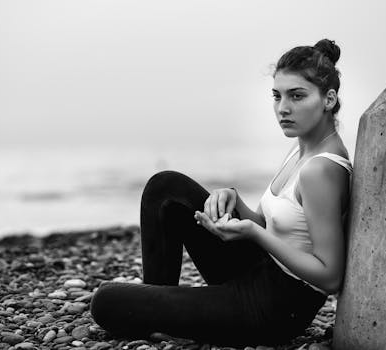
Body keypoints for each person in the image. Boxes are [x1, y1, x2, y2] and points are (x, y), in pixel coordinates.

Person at [90, 39, 352, 347]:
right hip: (259, 269)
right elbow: (283, 227)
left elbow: (329, 276)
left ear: (329, 99)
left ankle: (155, 308)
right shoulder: (300, 151)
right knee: (165, 187)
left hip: (276, 307)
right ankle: (156, 299)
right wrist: (233, 199)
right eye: (277, 96)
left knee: (106, 302)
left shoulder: (320, 170)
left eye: (297, 96)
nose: (283, 108)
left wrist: (254, 233)